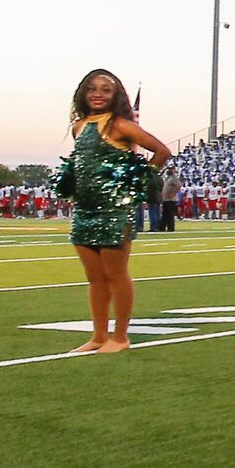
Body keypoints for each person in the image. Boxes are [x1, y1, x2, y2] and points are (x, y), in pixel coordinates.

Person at [61, 69, 173, 354]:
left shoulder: (120, 126)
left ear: (116, 96)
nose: (98, 94)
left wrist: (138, 179)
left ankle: (120, 337)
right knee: (94, 277)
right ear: (83, 94)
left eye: (105, 90)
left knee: (116, 274)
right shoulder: (79, 126)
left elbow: (161, 151)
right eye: (92, 89)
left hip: (114, 210)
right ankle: (99, 336)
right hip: (84, 210)